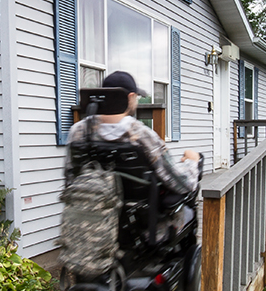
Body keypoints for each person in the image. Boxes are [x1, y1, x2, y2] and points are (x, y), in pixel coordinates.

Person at [66, 71, 201, 217]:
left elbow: (70, 178)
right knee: (188, 211)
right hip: (137, 227)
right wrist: (192, 161)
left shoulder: (78, 132)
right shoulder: (141, 135)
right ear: (130, 97)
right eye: (137, 97)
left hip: (92, 218)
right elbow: (181, 183)